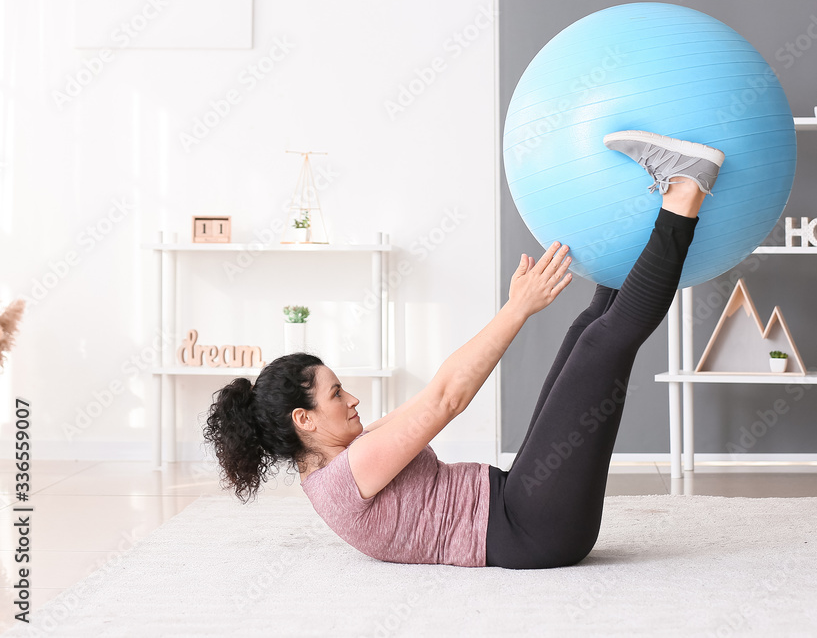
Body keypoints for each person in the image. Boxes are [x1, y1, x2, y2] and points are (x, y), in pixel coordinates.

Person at [203, 130, 724, 569]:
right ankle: (686, 191)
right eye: (336, 394)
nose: (353, 400)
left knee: (585, 329)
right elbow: (447, 400)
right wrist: (516, 308)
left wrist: (520, 308)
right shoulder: (346, 477)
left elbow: (430, 394)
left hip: (519, 500)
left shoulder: (338, 459)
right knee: (599, 347)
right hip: (530, 527)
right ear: (305, 419)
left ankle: (645, 209)